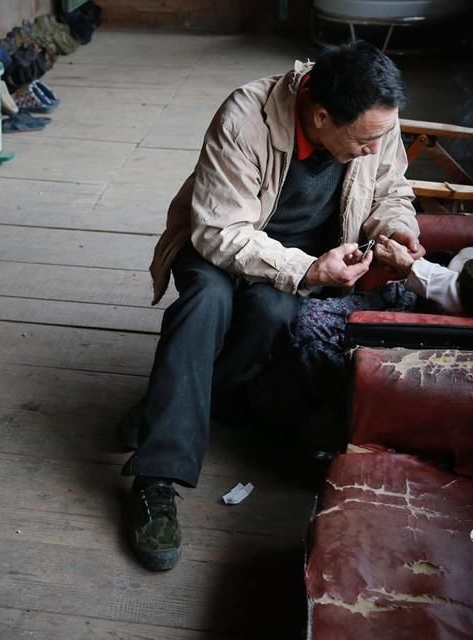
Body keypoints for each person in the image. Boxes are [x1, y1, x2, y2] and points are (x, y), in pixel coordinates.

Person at [119, 41, 423, 571]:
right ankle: (156, 478)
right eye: (364, 140)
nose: (374, 148)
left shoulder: (376, 121)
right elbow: (218, 231)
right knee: (206, 303)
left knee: (273, 314)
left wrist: (397, 229)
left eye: (381, 136)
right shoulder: (245, 117)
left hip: (301, 261)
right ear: (321, 116)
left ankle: (173, 405)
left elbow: (390, 189)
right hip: (224, 243)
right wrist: (308, 270)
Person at [263, 109, 473, 452]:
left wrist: (413, 269)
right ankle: (291, 412)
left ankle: (319, 433)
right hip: (424, 294)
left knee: (311, 327)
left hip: (448, 322)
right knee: (306, 319)